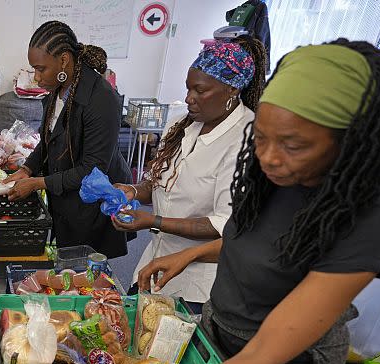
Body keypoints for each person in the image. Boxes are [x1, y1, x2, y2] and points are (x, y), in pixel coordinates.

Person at [92, 40, 380, 364]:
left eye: (293, 145)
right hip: (215, 337)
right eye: (261, 138)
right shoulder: (266, 173)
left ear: (348, 141)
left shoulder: (360, 222)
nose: (269, 157)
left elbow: (263, 353)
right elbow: (241, 236)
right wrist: (189, 253)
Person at [112, 37, 266, 310]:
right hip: (155, 262)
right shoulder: (181, 125)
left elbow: (224, 224)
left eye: (200, 90)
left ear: (231, 89)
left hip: (199, 285)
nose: (188, 98)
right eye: (187, 88)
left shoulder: (246, 141)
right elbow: (158, 183)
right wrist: (133, 190)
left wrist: (152, 221)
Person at [3, 21, 132, 259]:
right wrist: (27, 169)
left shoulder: (101, 98)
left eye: (41, 69)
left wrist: (38, 183)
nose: (37, 78)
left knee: (89, 273)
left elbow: (92, 170)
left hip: (93, 203)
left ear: (64, 60)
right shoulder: (59, 89)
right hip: (66, 197)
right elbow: (48, 140)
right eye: (34, 70)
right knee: (68, 263)